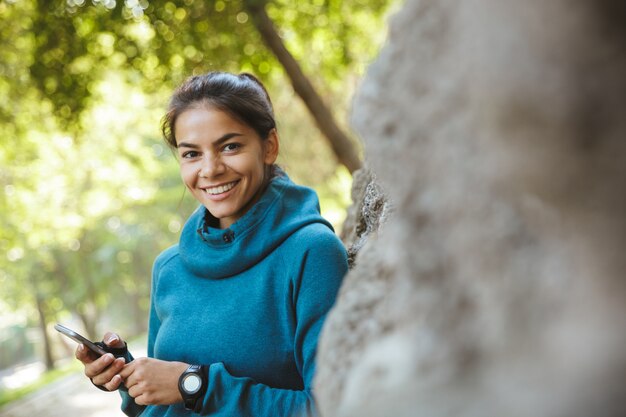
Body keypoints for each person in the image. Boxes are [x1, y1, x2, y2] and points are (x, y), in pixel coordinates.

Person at [75, 71, 348, 417]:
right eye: (191, 154)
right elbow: (157, 406)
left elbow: (332, 407)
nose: (211, 169)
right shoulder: (169, 268)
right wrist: (127, 377)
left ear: (269, 146)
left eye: (230, 146)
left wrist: (196, 385)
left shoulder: (312, 253)